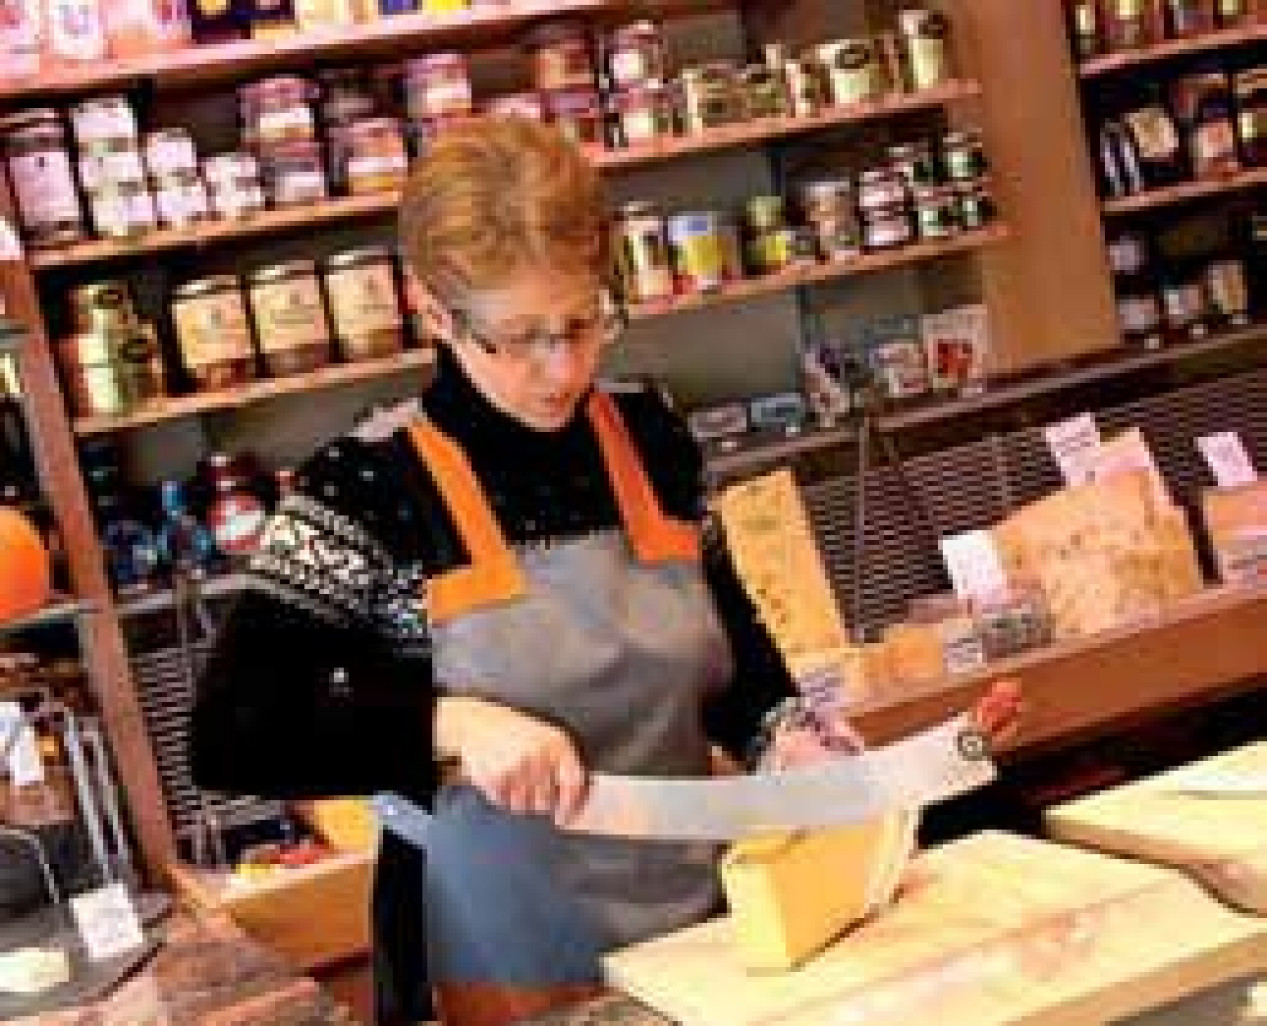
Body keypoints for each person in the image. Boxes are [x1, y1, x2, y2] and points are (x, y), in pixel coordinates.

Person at [190, 117, 1020, 1026]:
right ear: (431, 309)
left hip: (702, 924)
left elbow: (728, 652)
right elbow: (233, 733)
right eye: (519, 337)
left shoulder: (650, 435)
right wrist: (448, 723)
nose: (560, 369)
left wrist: (782, 737)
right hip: (498, 952)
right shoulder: (365, 487)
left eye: (582, 323)